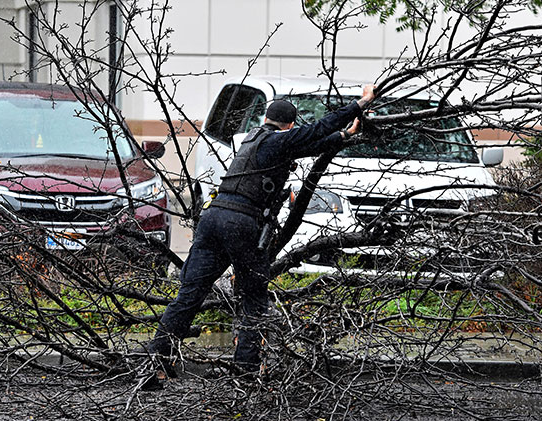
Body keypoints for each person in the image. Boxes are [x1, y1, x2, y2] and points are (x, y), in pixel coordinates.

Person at [144, 84, 376, 378]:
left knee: (190, 294)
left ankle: (157, 356)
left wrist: (344, 135)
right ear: (289, 125)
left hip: (213, 218)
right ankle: (246, 369)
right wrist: (361, 103)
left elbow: (310, 144)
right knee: (254, 298)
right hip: (241, 224)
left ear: (266, 118)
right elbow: (318, 129)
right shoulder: (279, 141)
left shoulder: (252, 139)